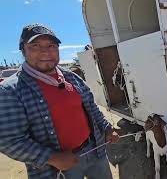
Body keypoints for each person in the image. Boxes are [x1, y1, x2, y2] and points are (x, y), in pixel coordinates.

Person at [0, 23, 119, 179]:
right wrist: (52, 158)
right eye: (35, 46)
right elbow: (9, 140)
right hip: (57, 168)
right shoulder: (10, 90)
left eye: (51, 45)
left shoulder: (71, 77)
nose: (45, 51)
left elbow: (91, 107)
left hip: (95, 151)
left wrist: (107, 128)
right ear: (23, 50)